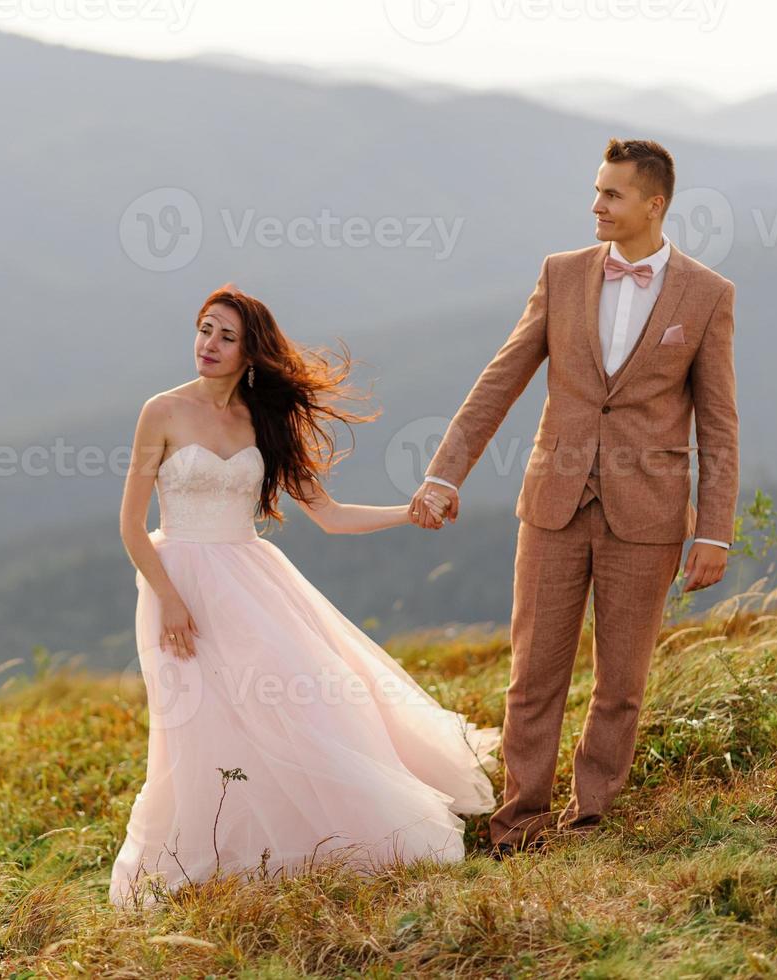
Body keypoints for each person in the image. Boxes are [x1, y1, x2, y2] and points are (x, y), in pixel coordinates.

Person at [110, 283, 499, 908]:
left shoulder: (263, 421)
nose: (209, 344)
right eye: (204, 329)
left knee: (297, 704)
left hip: (251, 581)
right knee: (198, 725)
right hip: (173, 584)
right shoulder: (161, 411)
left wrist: (409, 512)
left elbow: (332, 515)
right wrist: (171, 597)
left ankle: (308, 844)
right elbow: (131, 526)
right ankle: (210, 855)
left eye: (226, 336)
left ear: (250, 353)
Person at [410, 138, 740, 855]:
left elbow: (718, 422)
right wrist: (444, 473)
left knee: (620, 682)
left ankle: (590, 818)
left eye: (611, 194)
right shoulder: (559, 276)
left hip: (647, 515)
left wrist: (712, 530)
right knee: (533, 675)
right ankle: (518, 820)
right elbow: (500, 380)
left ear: (653, 205)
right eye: (595, 191)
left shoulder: (708, 294)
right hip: (553, 503)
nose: (595, 205)